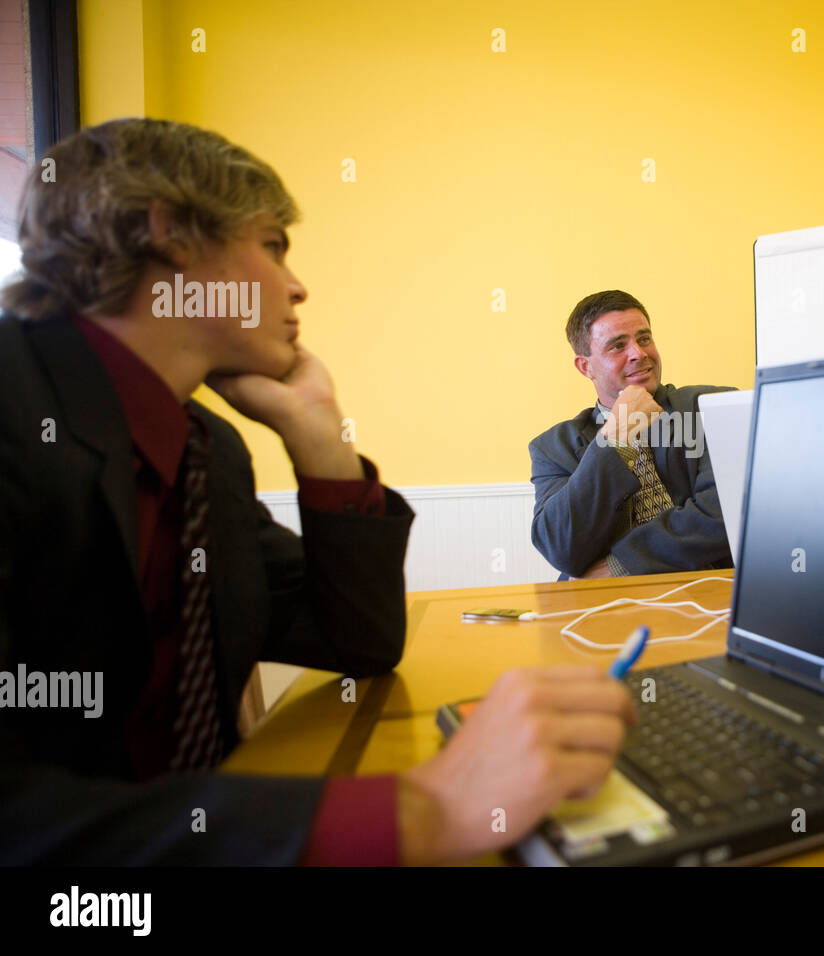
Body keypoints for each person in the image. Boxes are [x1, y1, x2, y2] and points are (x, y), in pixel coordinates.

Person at [0, 118, 636, 864]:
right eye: (273, 246)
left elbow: (355, 642)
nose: (297, 284)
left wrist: (321, 442)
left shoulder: (208, 452)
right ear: (169, 233)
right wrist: (418, 811)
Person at [529, 290, 733, 579]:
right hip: (604, 607)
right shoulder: (553, 447)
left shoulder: (709, 407)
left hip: (707, 592)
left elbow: (725, 510)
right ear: (585, 366)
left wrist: (622, 564)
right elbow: (561, 546)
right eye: (617, 346)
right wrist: (615, 438)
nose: (639, 353)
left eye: (644, 338)